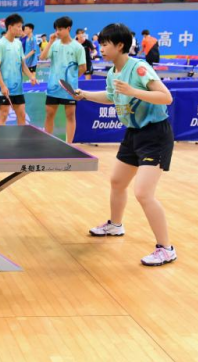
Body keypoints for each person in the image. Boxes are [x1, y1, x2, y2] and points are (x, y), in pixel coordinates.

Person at [74, 23, 176, 267]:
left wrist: (133, 91)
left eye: (105, 44)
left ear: (120, 45)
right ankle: (115, 225)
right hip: (133, 134)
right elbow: (112, 97)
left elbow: (166, 97)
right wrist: (85, 95)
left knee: (143, 193)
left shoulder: (139, 68)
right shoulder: (113, 72)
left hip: (155, 135)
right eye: (100, 44)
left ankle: (166, 248)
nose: (101, 48)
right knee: (117, 182)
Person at [39, 16, 87, 143]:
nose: (57, 32)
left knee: (70, 115)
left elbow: (83, 67)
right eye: (56, 29)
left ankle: (69, 145)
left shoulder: (78, 47)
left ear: (68, 28)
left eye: (60, 29)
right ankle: (47, 142)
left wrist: (71, 80)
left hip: (69, 89)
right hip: (53, 87)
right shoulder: (54, 44)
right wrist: (50, 42)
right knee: (49, 114)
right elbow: (42, 57)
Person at [0, 14, 38, 126]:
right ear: (10, 27)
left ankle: (21, 137)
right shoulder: (0, 45)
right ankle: (0, 138)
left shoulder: (18, 43)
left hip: (18, 89)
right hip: (4, 89)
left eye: (21, 26)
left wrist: (31, 77)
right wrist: (2, 86)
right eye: (18, 26)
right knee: (3, 115)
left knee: (22, 115)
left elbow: (22, 64)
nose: (21, 29)